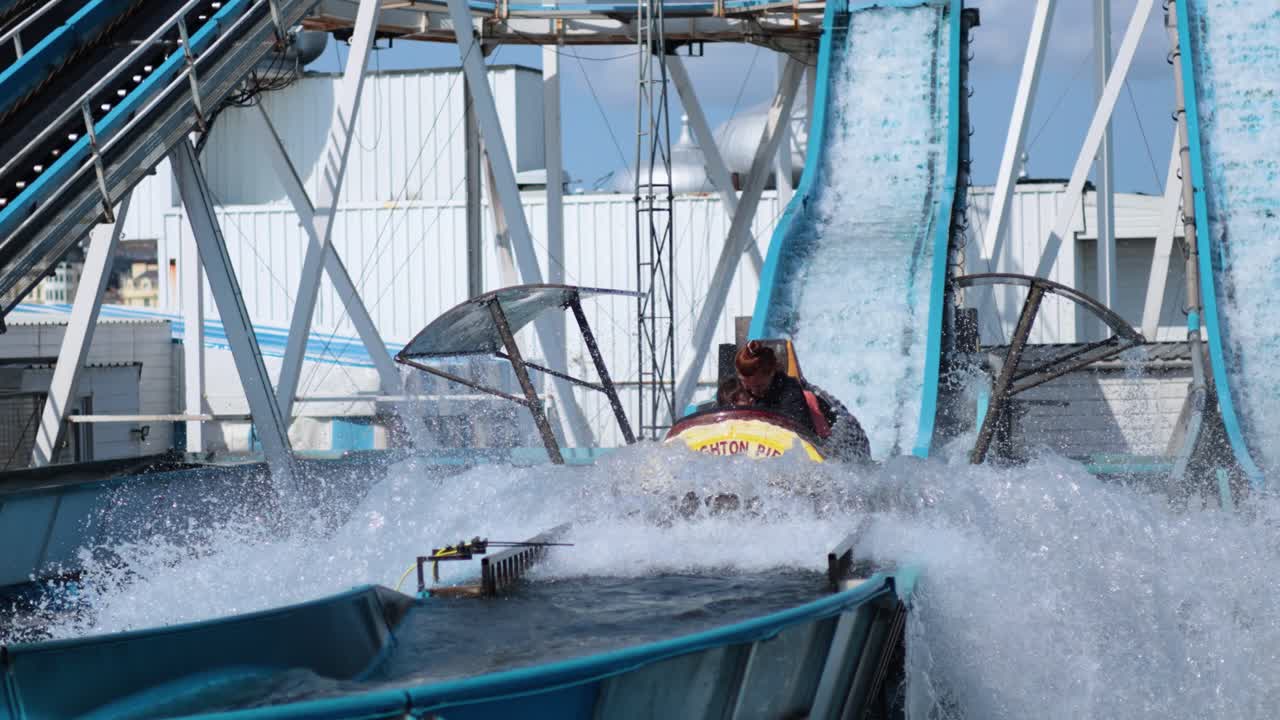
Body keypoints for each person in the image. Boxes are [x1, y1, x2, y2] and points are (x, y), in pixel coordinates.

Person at [735, 340, 871, 462]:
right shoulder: (737, 389)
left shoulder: (789, 392)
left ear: (772, 373)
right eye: (748, 387)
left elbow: (799, 438)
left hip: (840, 442)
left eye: (759, 387)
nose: (753, 392)